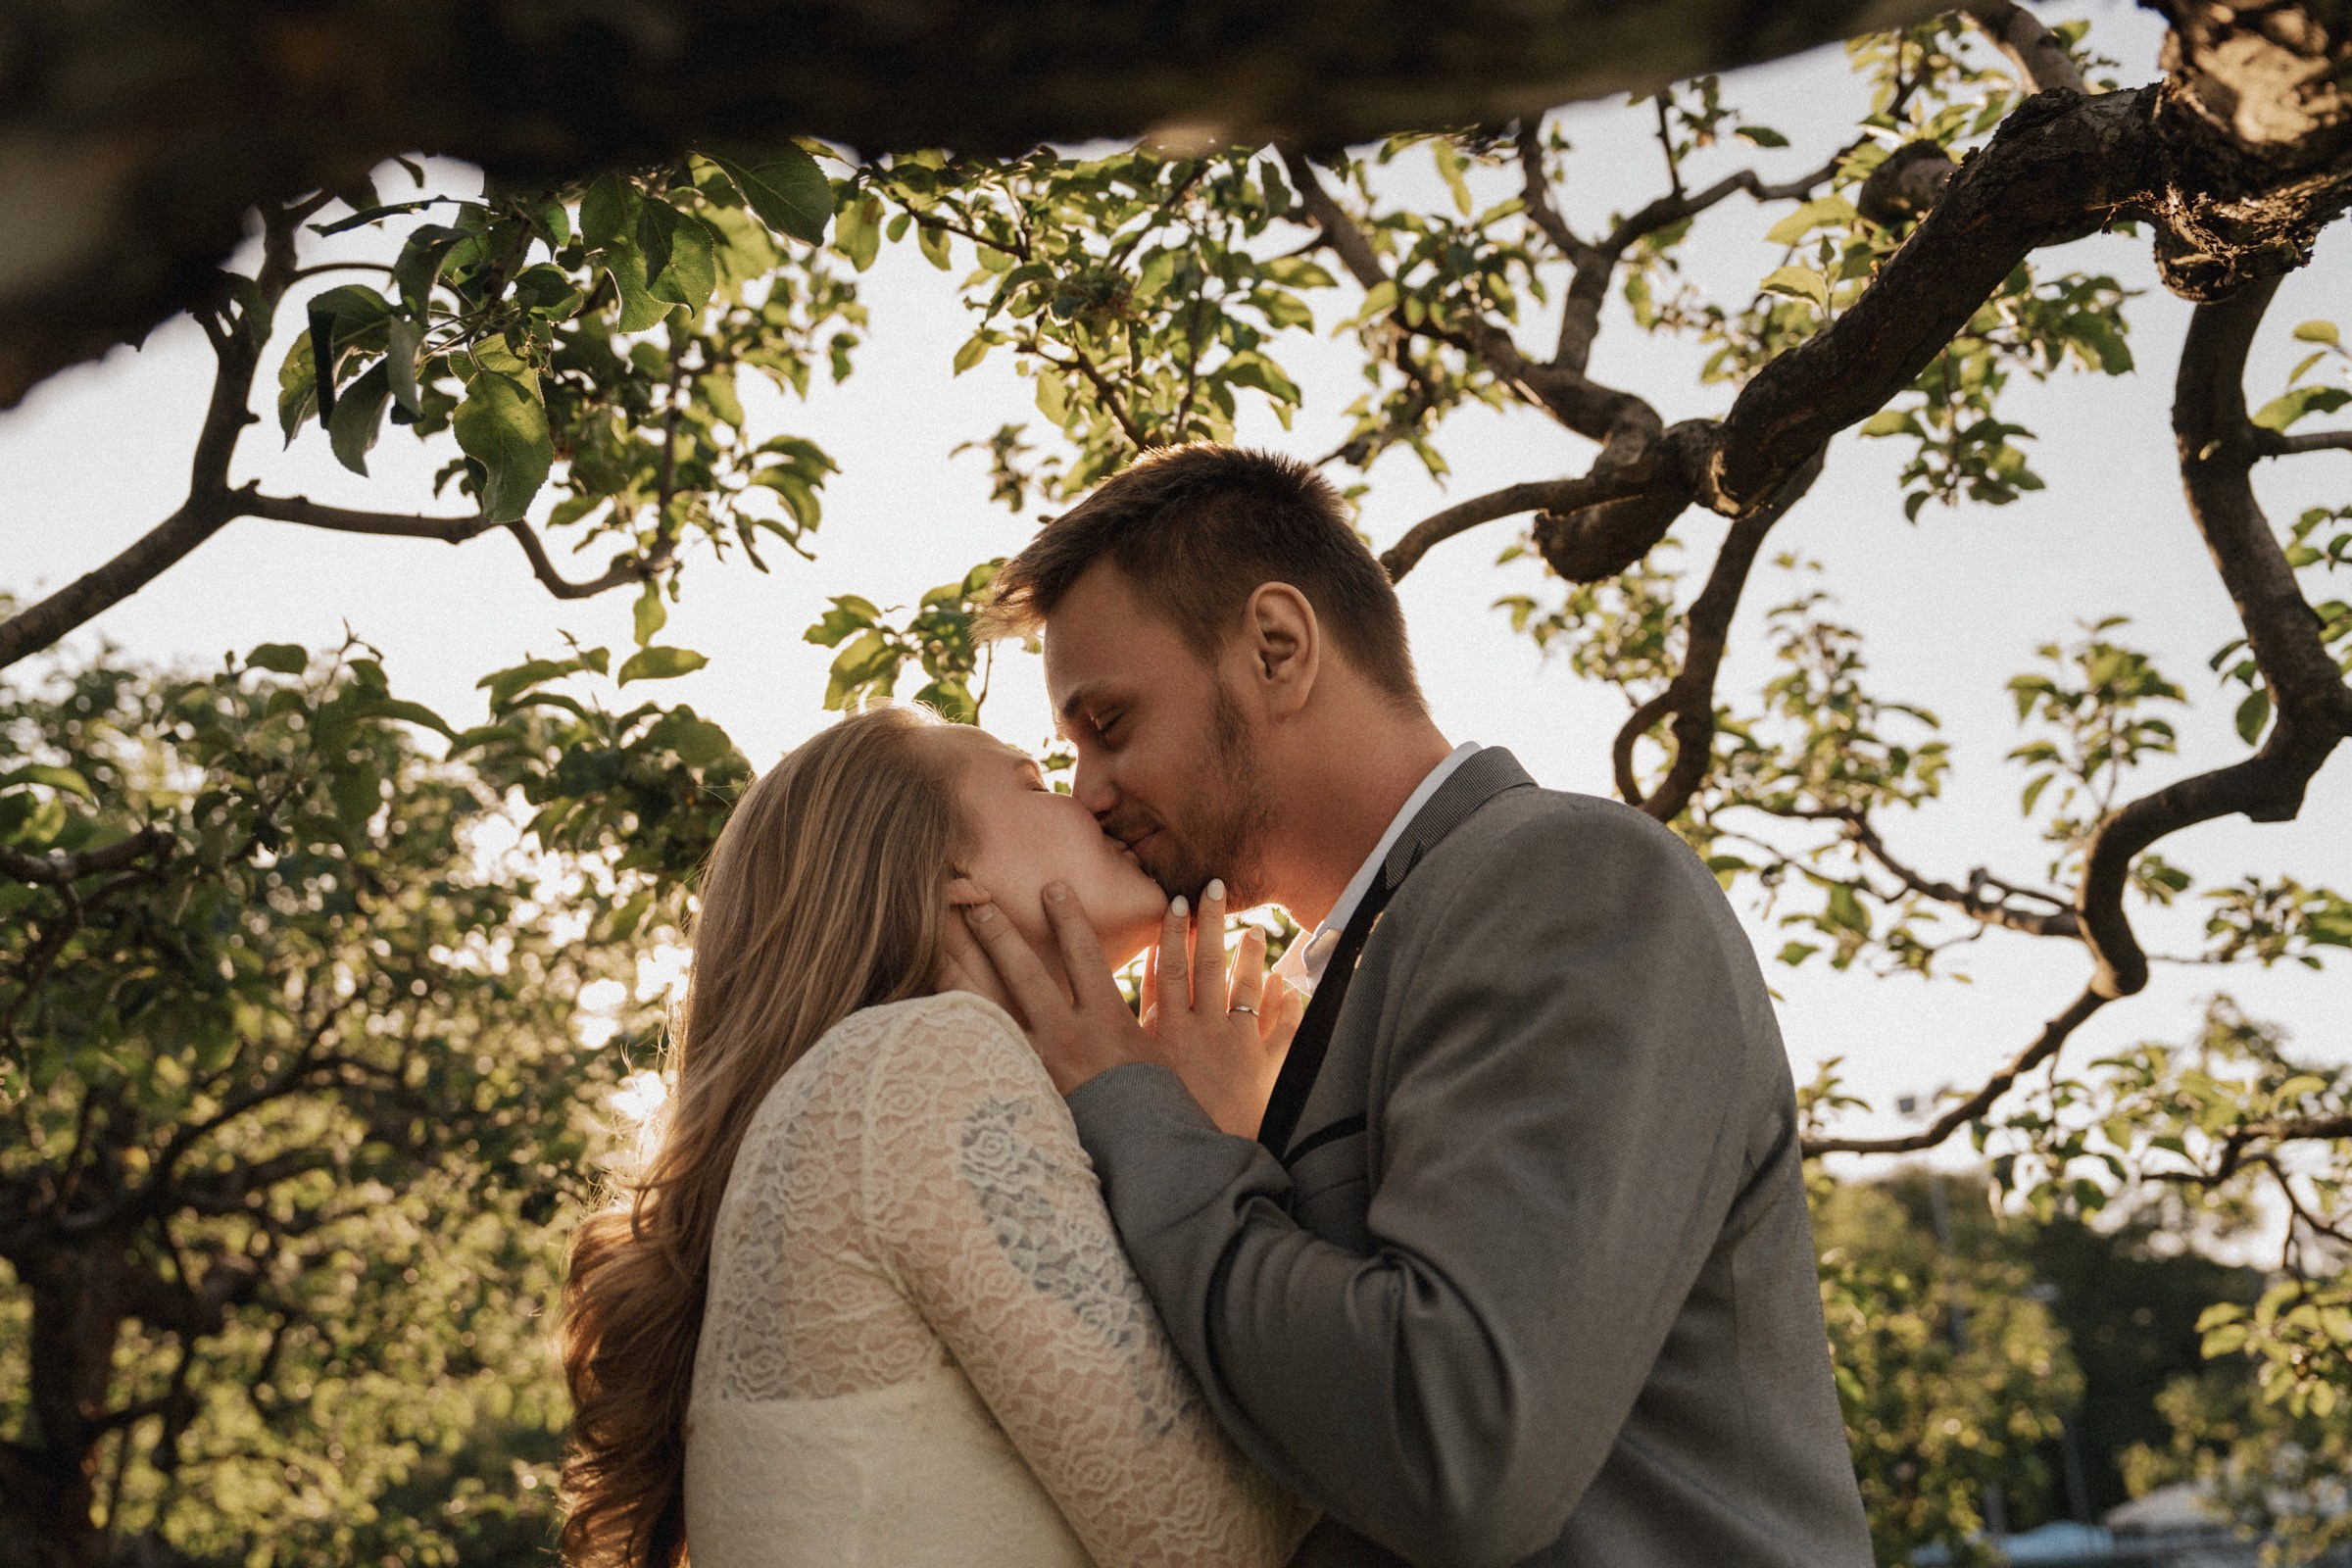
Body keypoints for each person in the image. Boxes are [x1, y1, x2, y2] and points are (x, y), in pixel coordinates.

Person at [951, 443, 1875, 1568]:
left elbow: (1462, 1442)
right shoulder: (1316, 995)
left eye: (1110, 725)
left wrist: (1142, 1118)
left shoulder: (1568, 880)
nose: (1089, 793)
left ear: (1277, 648)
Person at [556, 706, 1313, 1568]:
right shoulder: (922, 1057)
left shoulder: (889, 1084)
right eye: (1034, 782)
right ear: (945, 874)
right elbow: (1215, 1541)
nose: (1092, 803)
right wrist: (1211, 1140)